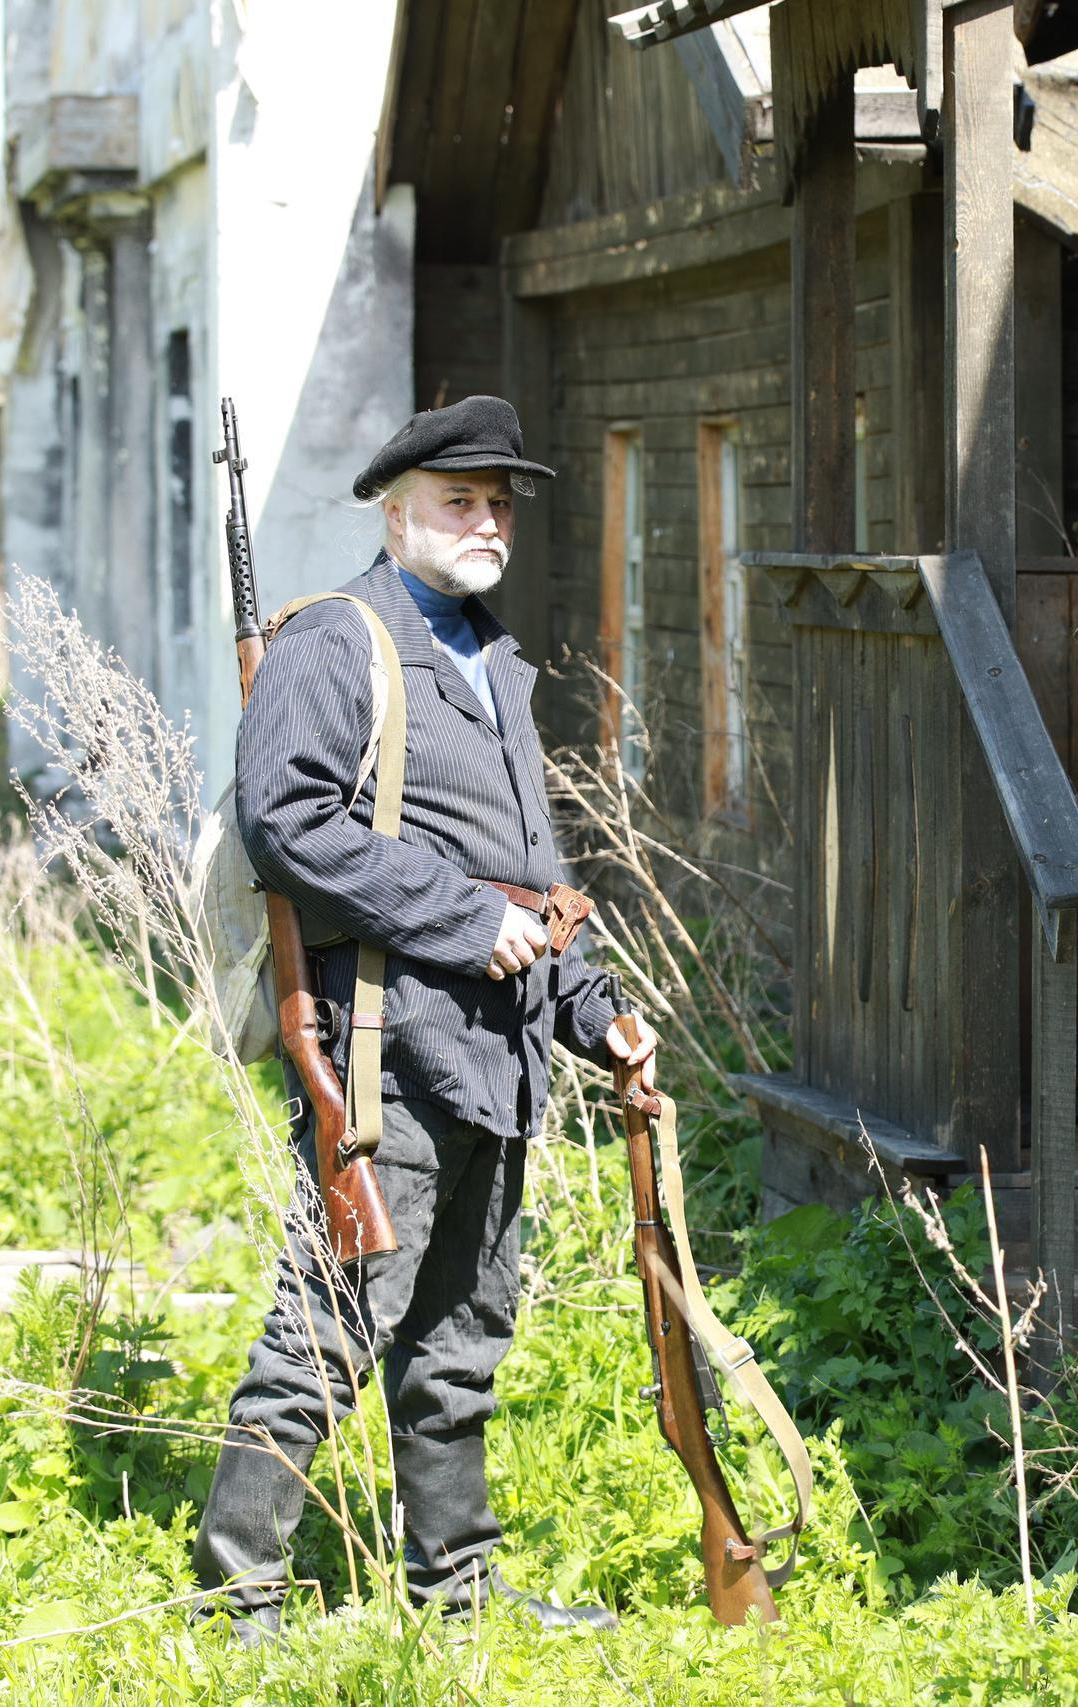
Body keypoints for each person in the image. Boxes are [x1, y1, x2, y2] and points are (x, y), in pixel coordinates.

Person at [193, 395, 657, 1643]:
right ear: (396, 516)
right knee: (332, 1327)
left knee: (461, 1342)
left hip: (499, 1055)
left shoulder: (494, 661)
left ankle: (457, 1592)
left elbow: (530, 881)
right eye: (460, 501)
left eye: (499, 503)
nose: (487, 521)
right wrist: (459, 920)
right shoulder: (336, 643)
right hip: (387, 1049)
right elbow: (285, 822)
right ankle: (233, 1598)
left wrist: (596, 1016)